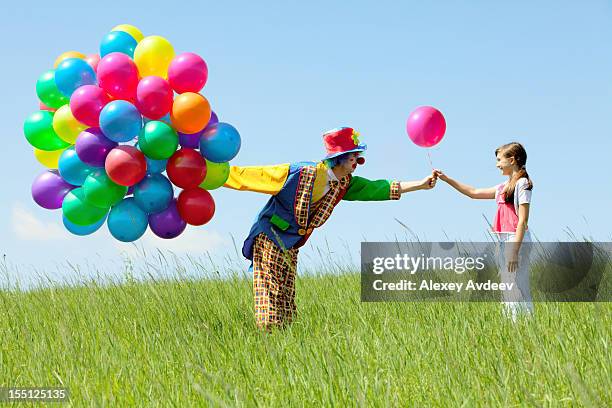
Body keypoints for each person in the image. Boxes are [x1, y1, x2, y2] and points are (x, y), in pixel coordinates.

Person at [223, 127, 437, 330]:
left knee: (286, 300)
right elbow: (251, 176)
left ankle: (283, 344)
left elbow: (376, 188)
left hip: (292, 244)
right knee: (271, 296)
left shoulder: (344, 184)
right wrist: (208, 173)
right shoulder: (299, 172)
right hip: (269, 236)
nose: (357, 162)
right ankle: (267, 340)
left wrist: (420, 184)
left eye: (357, 157)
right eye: (353, 157)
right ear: (339, 158)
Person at [433, 142, 534, 321]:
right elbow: (473, 192)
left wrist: (515, 251)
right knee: (507, 285)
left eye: (499, 160)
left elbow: (523, 221)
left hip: (516, 241)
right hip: (503, 241)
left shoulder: (522, 184)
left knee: (518, 285)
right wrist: (447, 179)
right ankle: (511, 324)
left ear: (511, 160)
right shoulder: (502, 187)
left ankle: (525, 323)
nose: (497, 164)